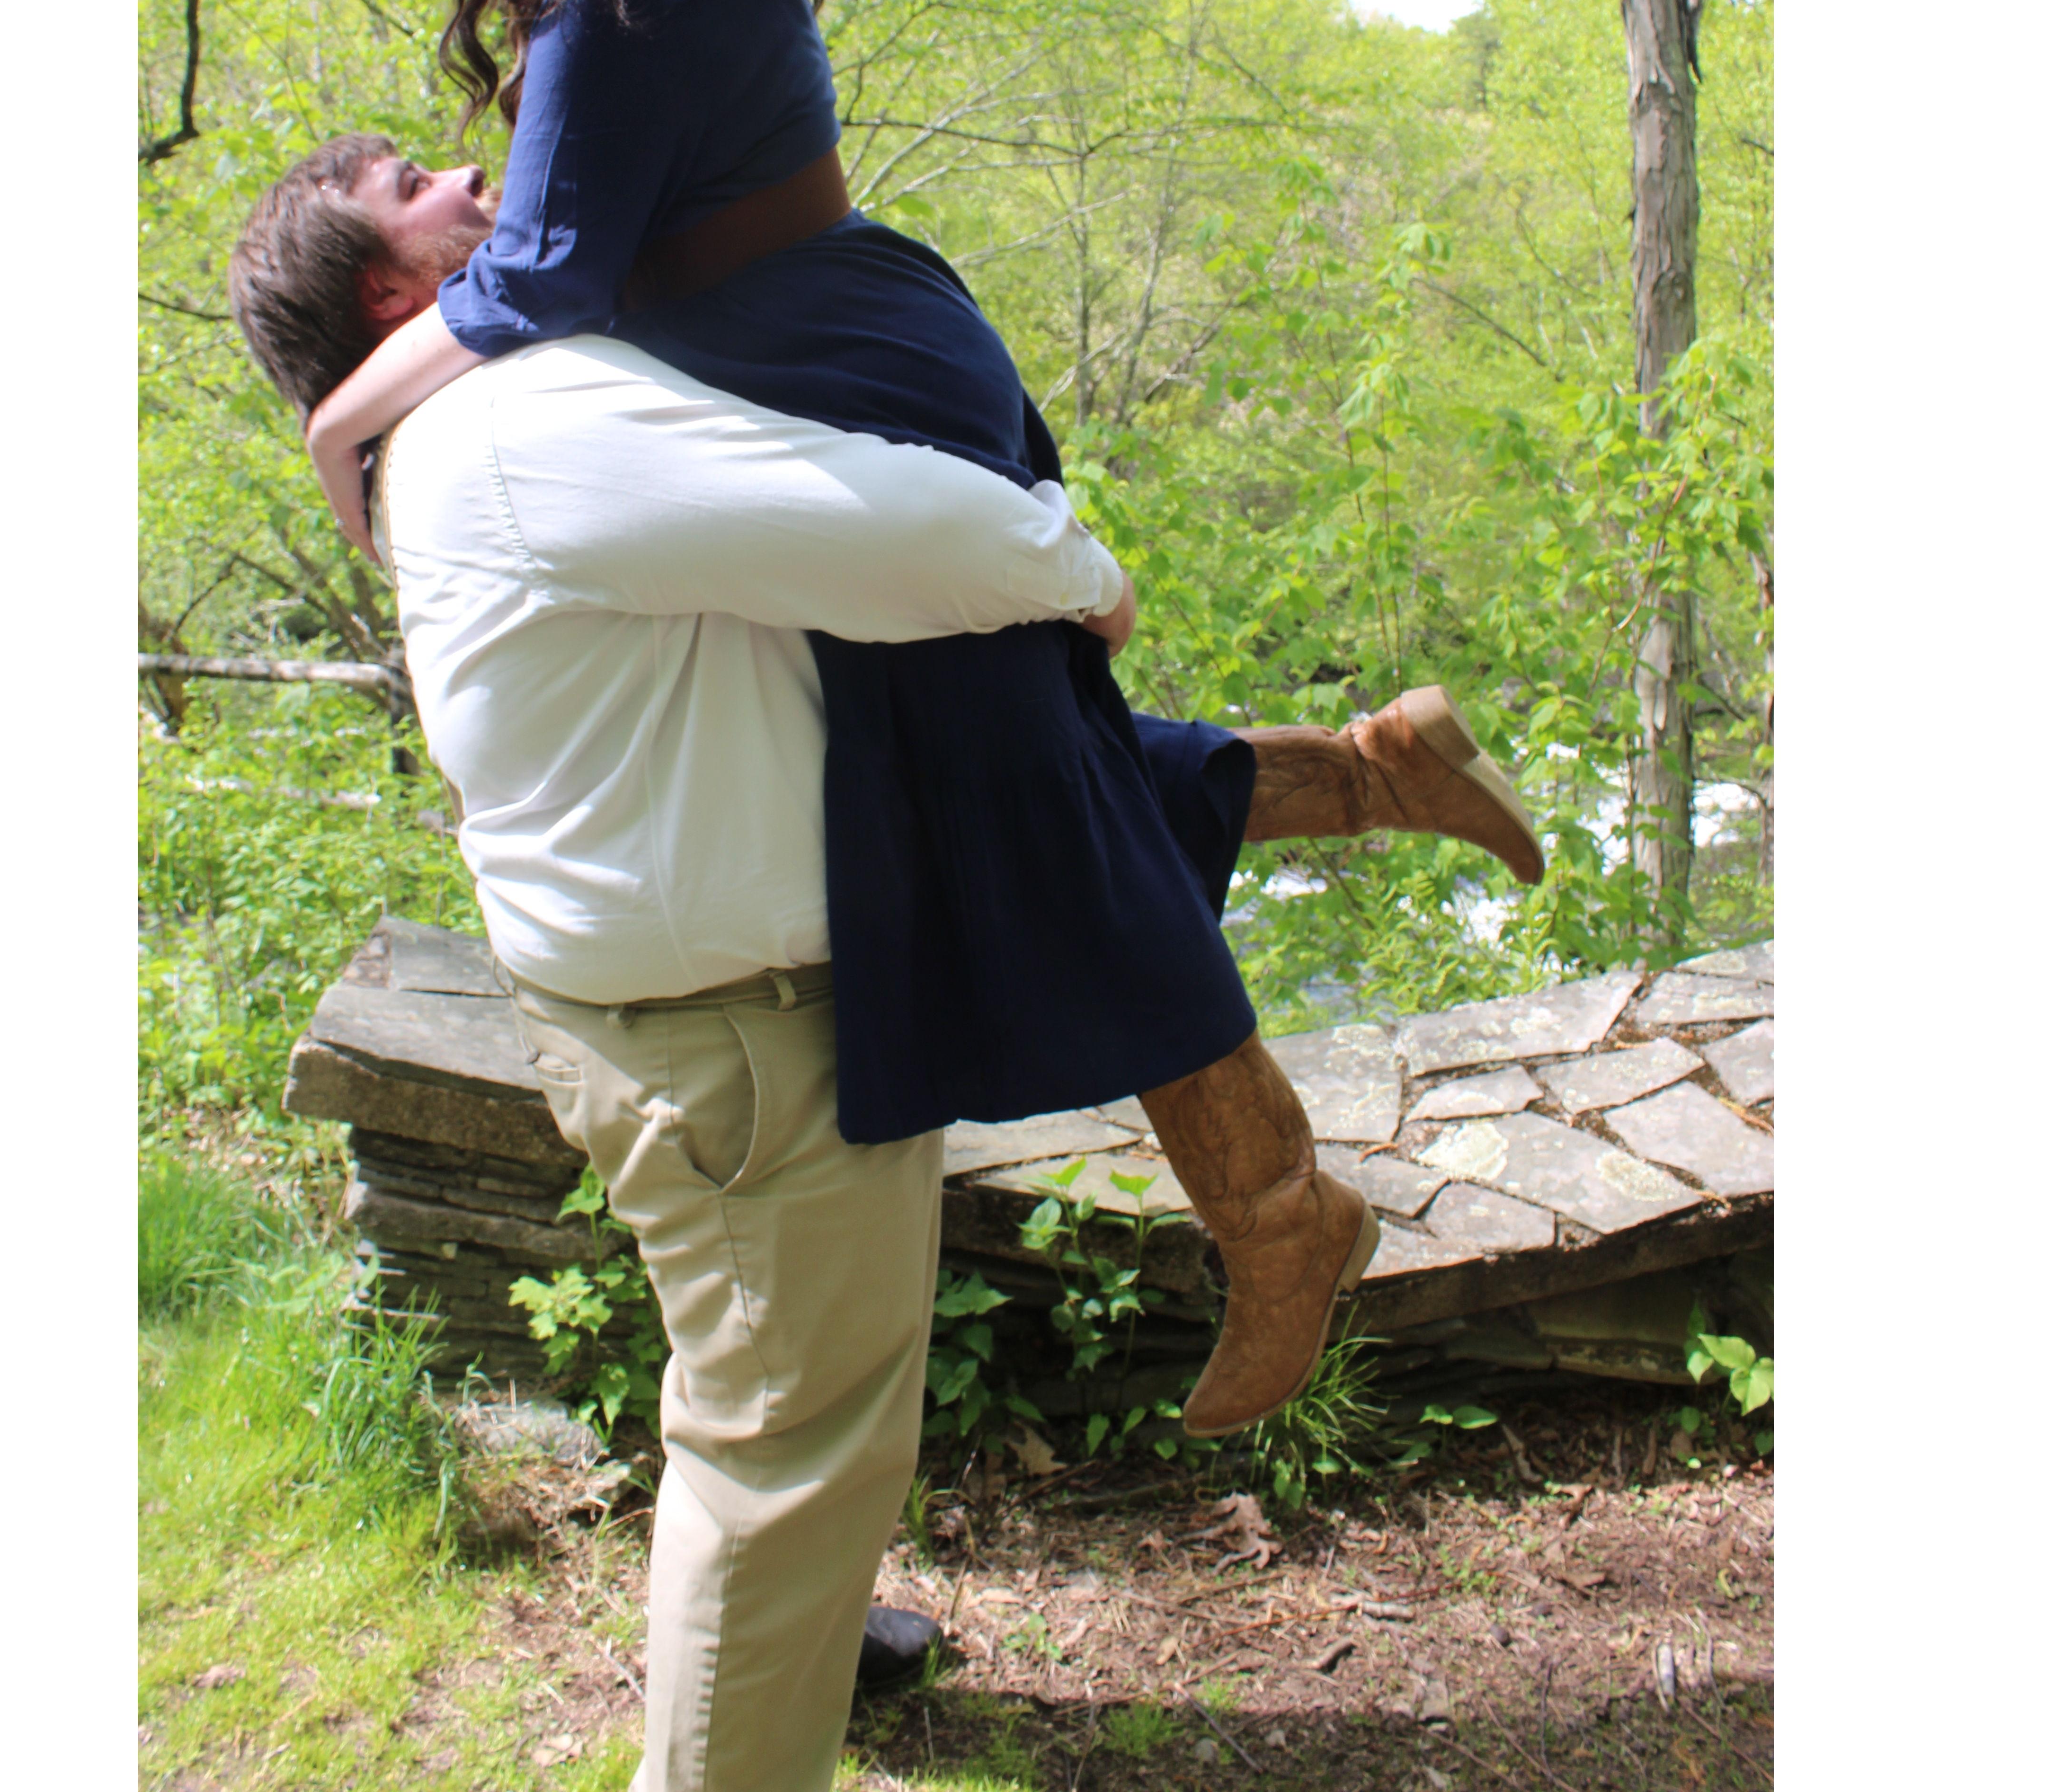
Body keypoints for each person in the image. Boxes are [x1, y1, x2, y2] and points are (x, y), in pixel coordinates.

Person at [253, 0, 1545, 1445]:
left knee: (1035, 817)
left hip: (835, 368)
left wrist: (339, 422)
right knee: (1012, 781)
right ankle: (1377, 776)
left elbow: (543, 278)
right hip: (836, 352)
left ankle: (1281, 1219)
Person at [225, 175, 1528, 1792]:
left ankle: (819, 1643)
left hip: (675, 1014)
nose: (478, 182)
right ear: (380, 293)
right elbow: (919, 534)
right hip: (734, 1042)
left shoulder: (462, 431)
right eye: (417, 192)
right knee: (782, 1455)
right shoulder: (521, 425)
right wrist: (1081, 568)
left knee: (782, 1397)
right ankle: (763, 1692)